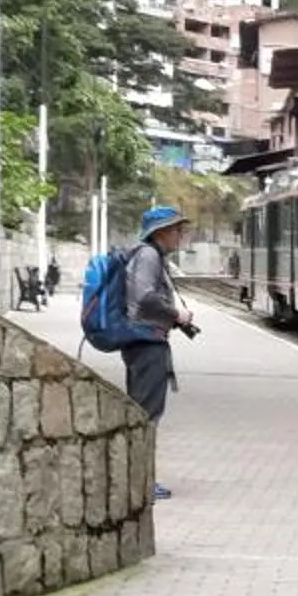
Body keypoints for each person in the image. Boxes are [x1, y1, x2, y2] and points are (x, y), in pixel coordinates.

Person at [121, 203, 198, 495]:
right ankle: (142, 482)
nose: (181, 235)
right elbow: (145, 297)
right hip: (146, 343)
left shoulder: (150, 256)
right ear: (162, 232)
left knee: (145, 411)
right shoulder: (149, 256)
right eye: (177, 229)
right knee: (146, 413)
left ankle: (140, 478)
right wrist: (177, 314)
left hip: (146, 341)